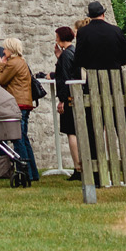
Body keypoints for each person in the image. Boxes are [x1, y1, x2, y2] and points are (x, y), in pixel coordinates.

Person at [0, 37, 39, 182]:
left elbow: (1, 80)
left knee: (18, 138)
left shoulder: (12, 63)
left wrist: (1, 66)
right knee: (24, 138)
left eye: (5, 48)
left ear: (11, 50)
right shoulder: (22, 61)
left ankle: (24, 171)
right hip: (25, 102)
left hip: (17, 104)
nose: (3, 51)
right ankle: (33, 172)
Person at [73, 0, 126, 72]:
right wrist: (116, 64)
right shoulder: (116, 31)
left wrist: (90, 65)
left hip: (93, 76)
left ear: (90, 16)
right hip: (115, 76)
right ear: (103, 14)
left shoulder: (83, 32)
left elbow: (78, 59)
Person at [53, 25, 80, 177]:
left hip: (69, 97)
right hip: (77, 95)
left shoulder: (66, 55)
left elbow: (64, 78)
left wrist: (62, 99)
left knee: (72, 132)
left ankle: (77, 167)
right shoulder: (74, 52)